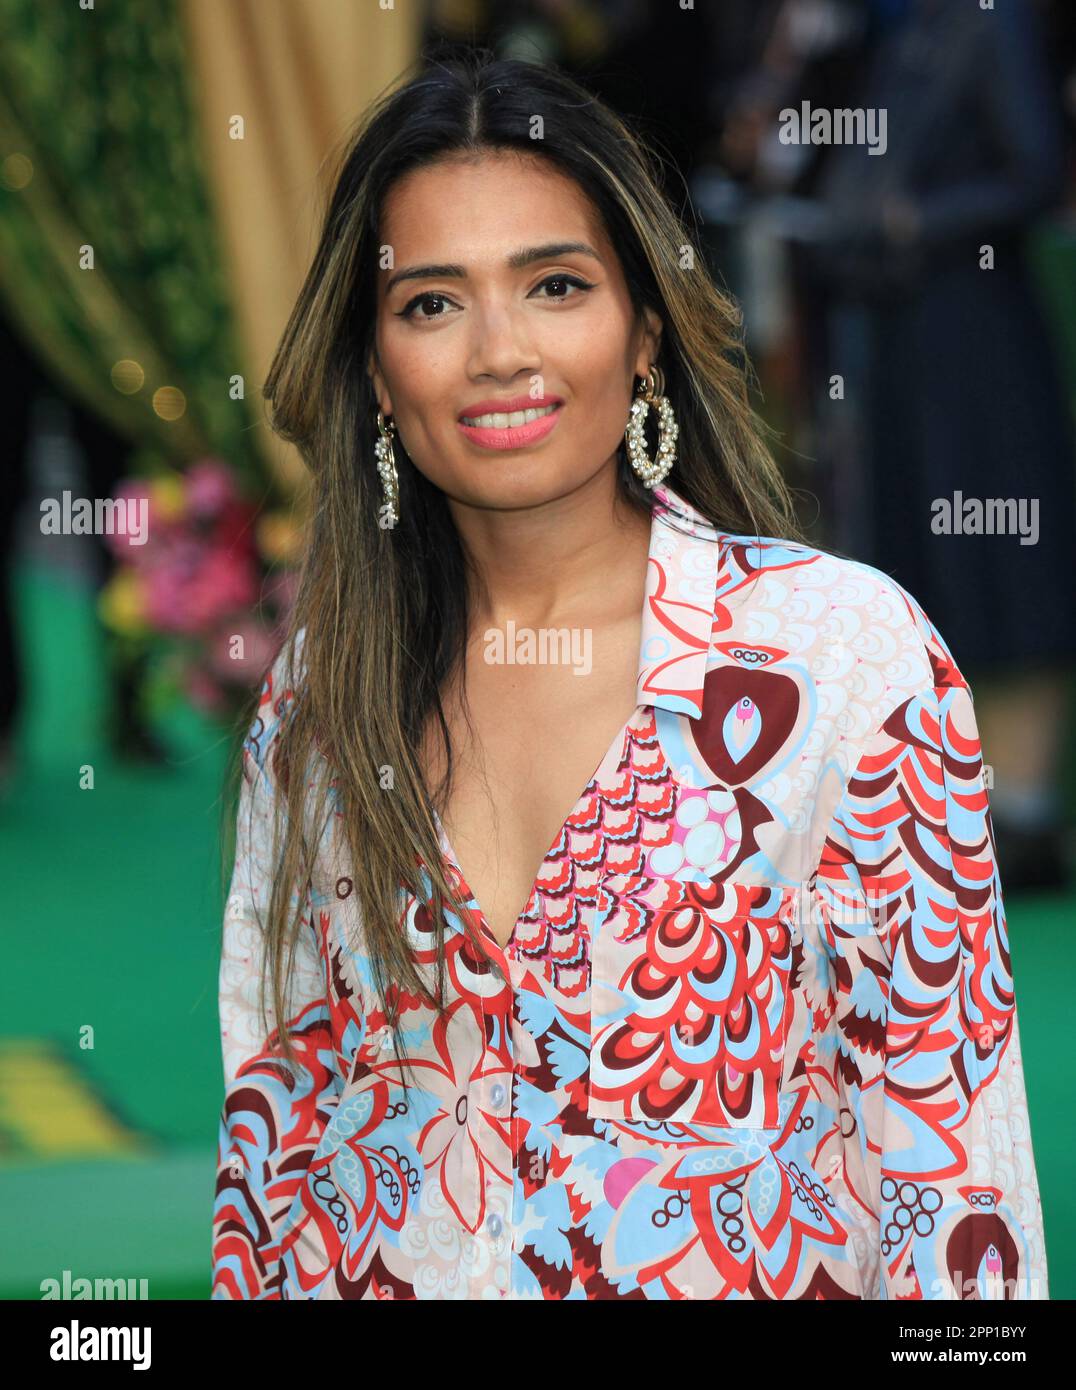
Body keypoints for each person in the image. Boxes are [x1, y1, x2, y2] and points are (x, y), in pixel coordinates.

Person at [211, 51, 1048, 1301]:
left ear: (644, 328)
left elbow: (952, 1163)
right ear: (376, 369)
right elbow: (275, 1132)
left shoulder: (837, 659)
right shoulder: (325, 694)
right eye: (430, 303)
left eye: (554, 284)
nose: (499, 350)